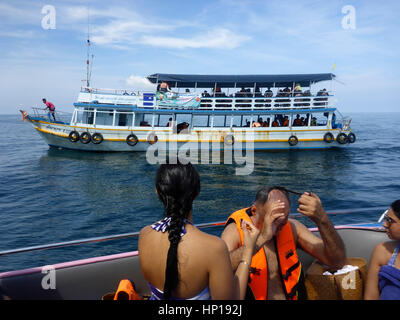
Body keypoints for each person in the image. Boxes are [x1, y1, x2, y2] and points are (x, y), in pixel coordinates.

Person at [139, 162, 259, 300]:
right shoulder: (214, 248)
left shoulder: (145, 235)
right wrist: (248, 251)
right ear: (197, 193)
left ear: (157, 191)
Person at [221, 186, 346, 300]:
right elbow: (220, 271)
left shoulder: (292, 228)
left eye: (283, 220)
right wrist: (262, 238)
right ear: (254, 211)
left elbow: (337, 261)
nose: (278, 226)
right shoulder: (235, 232)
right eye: (273, 219)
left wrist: (322, 219)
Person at [364, 200, 400, 300]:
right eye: (385, 219)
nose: (384, 224)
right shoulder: (382, 251)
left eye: (389, 220)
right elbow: (370, 297)